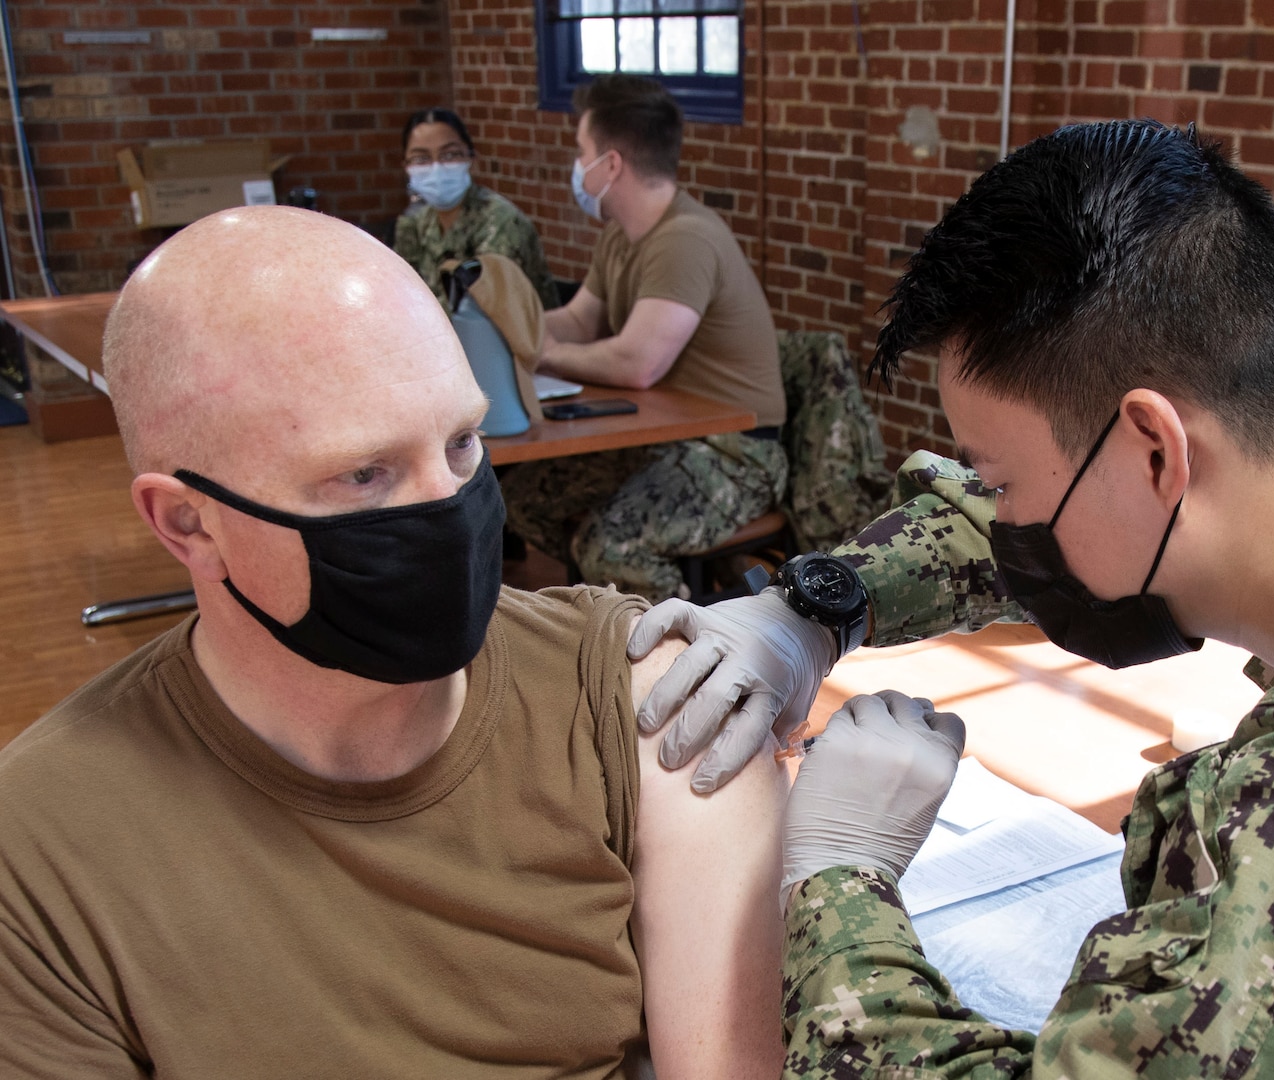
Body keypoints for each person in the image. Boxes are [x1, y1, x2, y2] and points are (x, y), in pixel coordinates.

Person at [0, 206, 788, 1078]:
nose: (447, 509)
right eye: (365, 474)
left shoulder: (645, 697)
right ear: (189, 521)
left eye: (461, 443)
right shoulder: (41, 853)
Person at [630, 120, 1274, 1074]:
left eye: (1002, 481)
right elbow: (1014, 524)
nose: (998, 515)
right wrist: (817, 607)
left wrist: (837, 881)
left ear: (1155, 449)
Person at [500, 73, 788, 602]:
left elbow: (639, 363)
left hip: (736, 453)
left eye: (581, 150)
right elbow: (580, 320)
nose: (576, 164)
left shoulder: (685, 239)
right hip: (668, 436)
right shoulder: (622, 235)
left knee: (611, 545)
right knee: (522, 501)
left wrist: (542, 354)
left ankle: (678, 657)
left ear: (610, 164)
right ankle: (606, 615)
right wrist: (508, 331)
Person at [393, 106, 560, 310]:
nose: (436, 167)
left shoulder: (500, 221)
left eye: (450, 154)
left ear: (471, 159)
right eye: (421, 158)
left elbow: (477, 311)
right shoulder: (414, 223)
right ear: (406, 167)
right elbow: (399, 296)